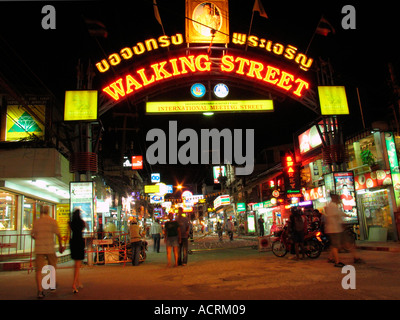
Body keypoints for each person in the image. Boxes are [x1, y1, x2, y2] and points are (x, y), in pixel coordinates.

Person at [31, 206, 64, 299]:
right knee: (52, 267)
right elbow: (58, 234)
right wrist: (61, 245)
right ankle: (52, 286)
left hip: (39, 248)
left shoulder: (36, 222)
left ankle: (40, 290)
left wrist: (37, 238)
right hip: (50, 248)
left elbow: (32, 234)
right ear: (48, 211)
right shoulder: (53, 221)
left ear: (40, 212)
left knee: (38, 270)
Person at [325, 194, 364, 267]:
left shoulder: (331, 206)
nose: (339, 200)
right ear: (334, 198)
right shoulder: (332, 206)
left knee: (342, 243)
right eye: (338, 198)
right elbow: (339, 214)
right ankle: (337, 261)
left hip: (336, 229)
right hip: (335, 229)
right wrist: (349, 215)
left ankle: (332, 258)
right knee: (336, 245)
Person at [69, 208, 86, 293]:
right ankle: (74, 284)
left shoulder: (71, 223)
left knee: (76, 264)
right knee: (77, 264)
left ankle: (78, 282)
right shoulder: (82, 222)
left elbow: (68, 233)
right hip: (79, 242)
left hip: (73, 242)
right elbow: (85, 228)